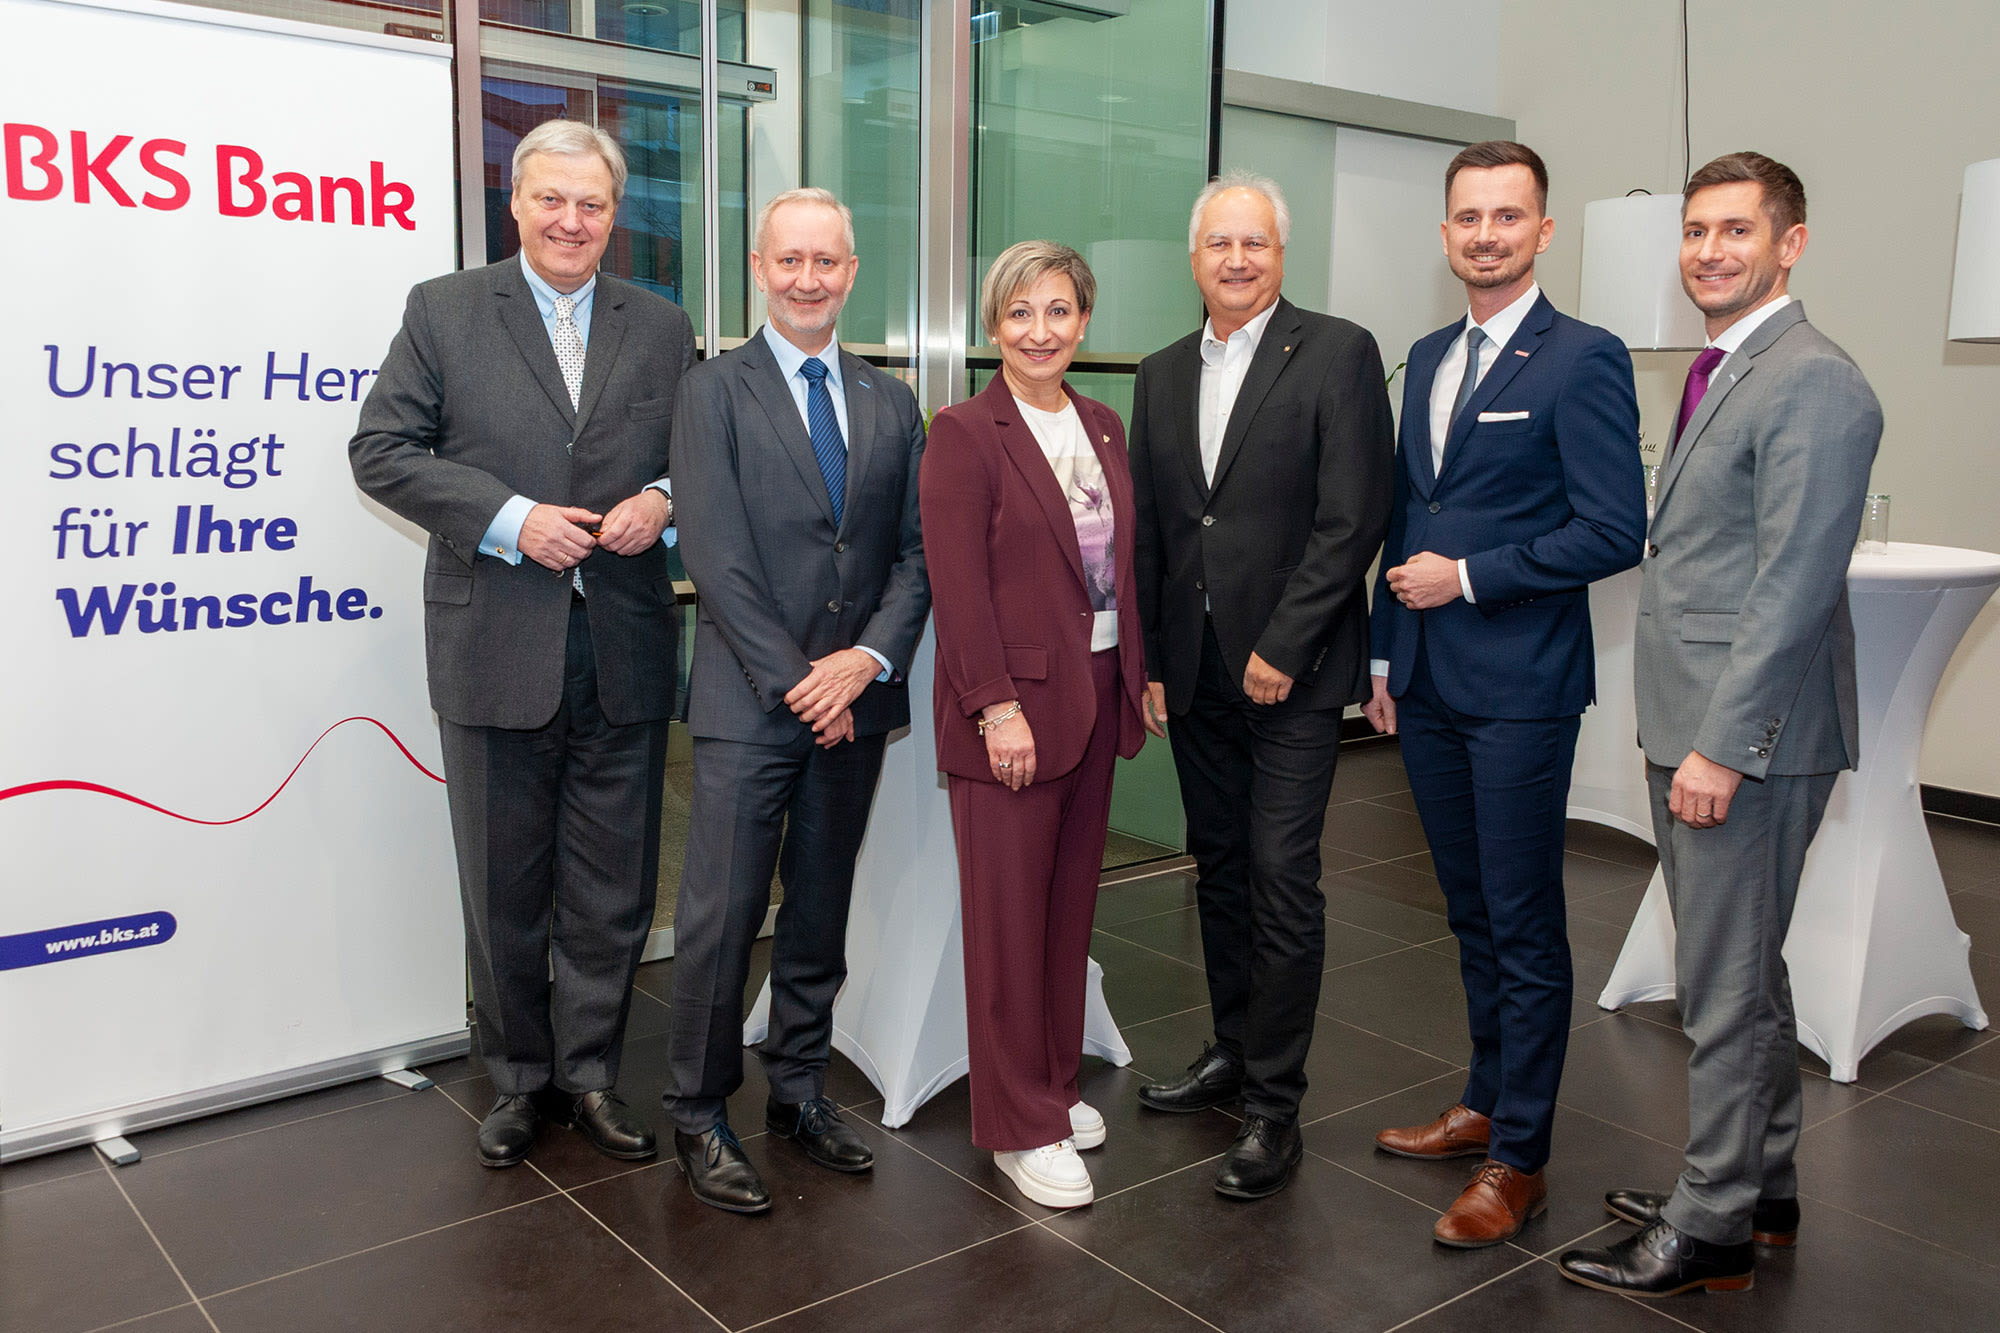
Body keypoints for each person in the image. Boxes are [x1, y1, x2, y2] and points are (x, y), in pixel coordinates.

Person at [1558, 152, 1882, 1297]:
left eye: (1733, 231)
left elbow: (1792, 587)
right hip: (1702, 726)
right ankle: (1761, 1184)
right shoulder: (1725, 369)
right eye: (1694, 230)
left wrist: (1716, 747)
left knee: (1721, 985)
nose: (1705, 250)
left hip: (1743, 742)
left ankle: (1706, 1228)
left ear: (1788, 243)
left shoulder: (1814, 382)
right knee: (1740, 970)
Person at [349, 119, 691, 1168]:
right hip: (495, 639)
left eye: (591, 204)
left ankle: (589, 1074)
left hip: (624, 641)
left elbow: (701, 453)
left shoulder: (663, 324)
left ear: (613, 212)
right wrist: (508, 518)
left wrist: (662, 500)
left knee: (613, 881)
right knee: (500, 879)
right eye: (551, 200)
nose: (571, 222)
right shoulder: (445, 311)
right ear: (515, 201)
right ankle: (516, 1078)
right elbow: (380, 449)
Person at [1363, 141, 1645, 1247]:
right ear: (1444, 236)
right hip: (1425, 682)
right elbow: (1406, 520)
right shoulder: (1428, 354)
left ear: (1542, 231)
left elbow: (1613, 529)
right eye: (1467, 217)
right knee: (1468, 909)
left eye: (1506, 216)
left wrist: (1470, 579)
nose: (1485, 234)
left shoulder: (1582, 357)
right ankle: (1483, 1099)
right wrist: (1385, 658)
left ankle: (1518, 1155)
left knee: (1524, 922)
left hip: (1520, 686)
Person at [660, 186, 930, 1214]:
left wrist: (863, 659)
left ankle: (800, 1089)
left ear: (850, 274)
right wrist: (801, 679)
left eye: (827, 261)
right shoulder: (712, 392)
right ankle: (697, 1109)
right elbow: (718, 560)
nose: (809, 278)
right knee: (723, 914)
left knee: (817, 908)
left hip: (852, 701)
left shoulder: (888, 400)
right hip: (749, 701)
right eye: (790, 261)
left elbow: (912, 555)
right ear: (760, 270)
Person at [1130, 170, 1395, 1199]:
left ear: (1279, 254)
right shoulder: (1158, 372)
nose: (1235, 260)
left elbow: (1352, 517)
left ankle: (1274, 1104)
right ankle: (1231, 1049)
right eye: (1217, 245)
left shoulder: (1336, 351)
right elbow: (1159, 531)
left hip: (1293, 669)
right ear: (1191, 258)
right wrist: (1152, 662)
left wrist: (1284, 644)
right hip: (1194, 675)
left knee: (1283, 879)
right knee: (1222, 868)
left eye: (1254, 244)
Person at [921, 242, 1156, 1210]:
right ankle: (1016, 1126)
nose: (1039, 330)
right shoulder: (964, 431)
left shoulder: (1101, 424)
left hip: (1095, 699)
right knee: (1008, 925)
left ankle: (1052, 1087)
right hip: (1012, 712)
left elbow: (1119, 572)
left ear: (1083, 321)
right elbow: (958, 586)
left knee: (1065, 913)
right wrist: (995, 708)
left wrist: (1137, 672)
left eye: (1058, 310)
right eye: (1019, 313)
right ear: (991, 326)